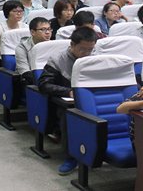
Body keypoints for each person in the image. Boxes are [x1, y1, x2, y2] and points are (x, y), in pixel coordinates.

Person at [38, 27, 98, 175]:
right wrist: (68, 91)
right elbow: (44, 84)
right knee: (69, 115)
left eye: (90, 49)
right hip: (64, 102)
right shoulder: (58, 59)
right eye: (82, 49)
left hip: (92, 97)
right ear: (72, 44)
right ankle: (71, 157)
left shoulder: (96, 57)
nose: (86, 53)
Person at [14, 17, 52, 85]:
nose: (48, 32)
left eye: (49, 29)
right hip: (30, 82)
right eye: (43, 29)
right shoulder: (22, 47)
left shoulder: (53, 45)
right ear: (33, 32)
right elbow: (26, 73)